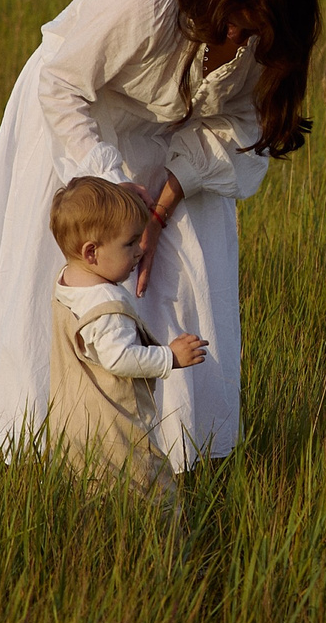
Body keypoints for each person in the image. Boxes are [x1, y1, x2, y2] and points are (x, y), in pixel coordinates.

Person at [0, 0, 319, 473]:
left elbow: (237, 126)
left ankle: (169, 455)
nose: (235, 34)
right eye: (229, 20)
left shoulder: (270, 44)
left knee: (183, 276)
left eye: (251, 28)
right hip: (77, 124)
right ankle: (51, 447)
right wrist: (110, 190)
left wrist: (159, 209)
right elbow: (62, 86)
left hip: (178, 146)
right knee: (70, 281)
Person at [45, 176, 209, 507]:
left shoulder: (68, 282)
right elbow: (119, 358)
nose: (139, 251)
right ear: (91, 252)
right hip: (117, 428)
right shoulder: (105, 306)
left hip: (76, 424)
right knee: (154, 496)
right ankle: (167, 538)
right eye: (130, 243)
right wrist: (170, 357)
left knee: (93, 496)